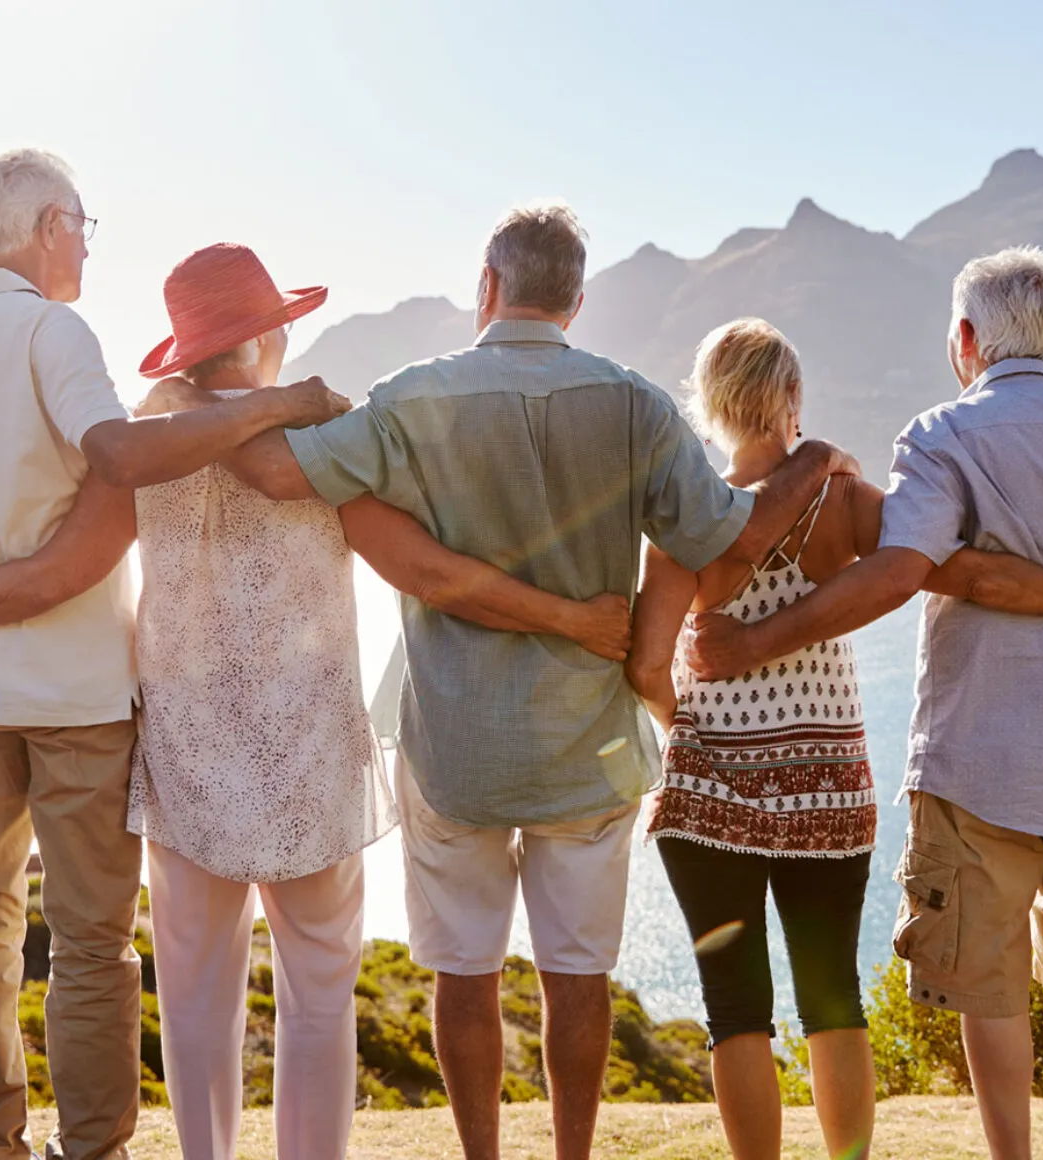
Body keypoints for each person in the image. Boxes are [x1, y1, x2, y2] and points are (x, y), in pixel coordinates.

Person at [0, 241, 637, 1160]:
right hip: (311, 759)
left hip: (189, 757)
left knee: (199, 1001)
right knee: (320, 999)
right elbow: (419, 565)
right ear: (269, 336)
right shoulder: (323, 441)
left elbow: (68, 569)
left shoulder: (146, 437)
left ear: (190, 349)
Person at [206, 201, 862, 1160]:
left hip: (453, 744)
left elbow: (271, 474)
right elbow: (727, 537)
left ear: (487, 287)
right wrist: (808, 461)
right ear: (577, 301)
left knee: (463, 976)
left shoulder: (412, 397)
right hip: (587, 747)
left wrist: (259, 399)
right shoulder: (637, 403)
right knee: (578, 976)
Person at [0, 149, 350, 1160]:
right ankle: (93, 1148)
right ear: (49, 224)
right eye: (83, 223)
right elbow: (119, 466)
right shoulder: (51, 329)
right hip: (73, 688)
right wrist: (278, 402)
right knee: (89, 939)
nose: (86, 242)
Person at [683, 250, 1043, 1160]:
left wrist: (752, 644)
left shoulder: (942, 436)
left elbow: (908, 572)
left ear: (965, 339)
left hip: (977, 759)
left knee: (988, 987)